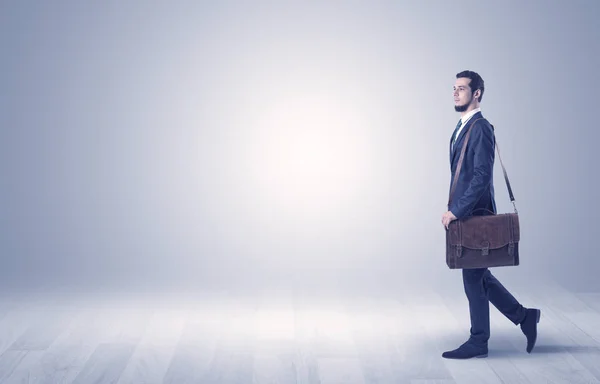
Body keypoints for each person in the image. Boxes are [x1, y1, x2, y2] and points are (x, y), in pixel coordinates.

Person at [440, 70, 541, 359]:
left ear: (477, 93)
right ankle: (524, 316)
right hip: (469, 211)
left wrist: (456, 211)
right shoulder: (462, 126)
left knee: (473, 278)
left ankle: (479, 341)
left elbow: (482, 176)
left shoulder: (480, 128)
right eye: (454, 88)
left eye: (462, 88)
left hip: (476, 214)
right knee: (479, 277)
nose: (456, 93)